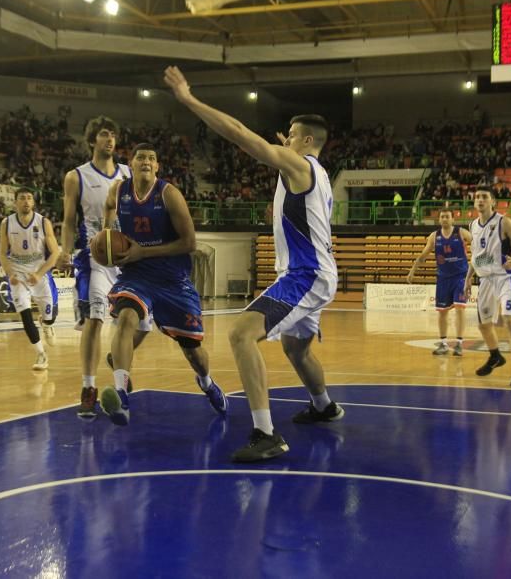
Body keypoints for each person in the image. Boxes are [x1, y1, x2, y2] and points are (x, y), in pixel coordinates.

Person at [165, 66, 343, 463]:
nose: (286, 138)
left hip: (305, 275)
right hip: (316, 271)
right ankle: (324, 405)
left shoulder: (300, 166)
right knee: (297, 349)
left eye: (292, 135)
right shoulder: (314, 172)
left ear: (307, 140)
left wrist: (189, 99)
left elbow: (240, 135)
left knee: (241, 334)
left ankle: (266, 434)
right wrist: (286, 151)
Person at [98, 143, 227, 425]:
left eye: (152, 158)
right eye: (141, 157)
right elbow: (108, 209)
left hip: (173, 280)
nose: (146, 161)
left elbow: (189, 243)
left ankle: (206, 382)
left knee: (194, 352)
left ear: (157, 167)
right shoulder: (118, 191)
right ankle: (121, 394)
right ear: (130, 164)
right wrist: (106, 236)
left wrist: (143, 250)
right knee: (126, 318)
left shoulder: (169, 194)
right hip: (137, 275)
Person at [59, 116, 148, 419]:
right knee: (94, 320)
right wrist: (64, 250)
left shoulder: (127, 173)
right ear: (92, 139)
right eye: (104, 135)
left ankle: (116, 355)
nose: (110, 140)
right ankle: (88, 388)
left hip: (126, 257)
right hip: (93, 258)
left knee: (144, 324)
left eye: (113, 135)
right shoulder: (76, 176)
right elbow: (69, 220)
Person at [466, 187, 511, 388]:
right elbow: (477, 256)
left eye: (484, 197)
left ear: (493, 201)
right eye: (477, 197)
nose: (480, 200)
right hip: (485, 278)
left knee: (509, 321)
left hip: (507, 277)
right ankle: (495, 356)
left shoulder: (504, 222)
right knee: (483, 324)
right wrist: (468, 278)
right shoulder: (473, 225)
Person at [0, 187, 60, 371]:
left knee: (50, 316)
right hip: (18, 273)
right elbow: (2, 254)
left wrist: (40, 273)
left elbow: (55, 252)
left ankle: (47, 324)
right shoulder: (6, 223)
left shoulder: (43, 222)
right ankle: (41, 354)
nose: (26, 201)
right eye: (22, 198)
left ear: (33, 202)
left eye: (29, 198)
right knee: (25, 315)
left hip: (38, 272)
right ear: (15, 202)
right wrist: (10, 273)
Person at [407, 208, 471, 356]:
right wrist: (412, 270)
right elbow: (423, 255)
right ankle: (443, 344)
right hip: (443, 279)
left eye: (447, 217)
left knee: (460, 309)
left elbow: (477, 243)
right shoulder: (434, 236)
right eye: (442, 217)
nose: (444, 219)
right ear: (439, 219)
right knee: (442, 312)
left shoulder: (461, 233)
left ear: (453, 219)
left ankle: (459, 343)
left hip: (460, 277)